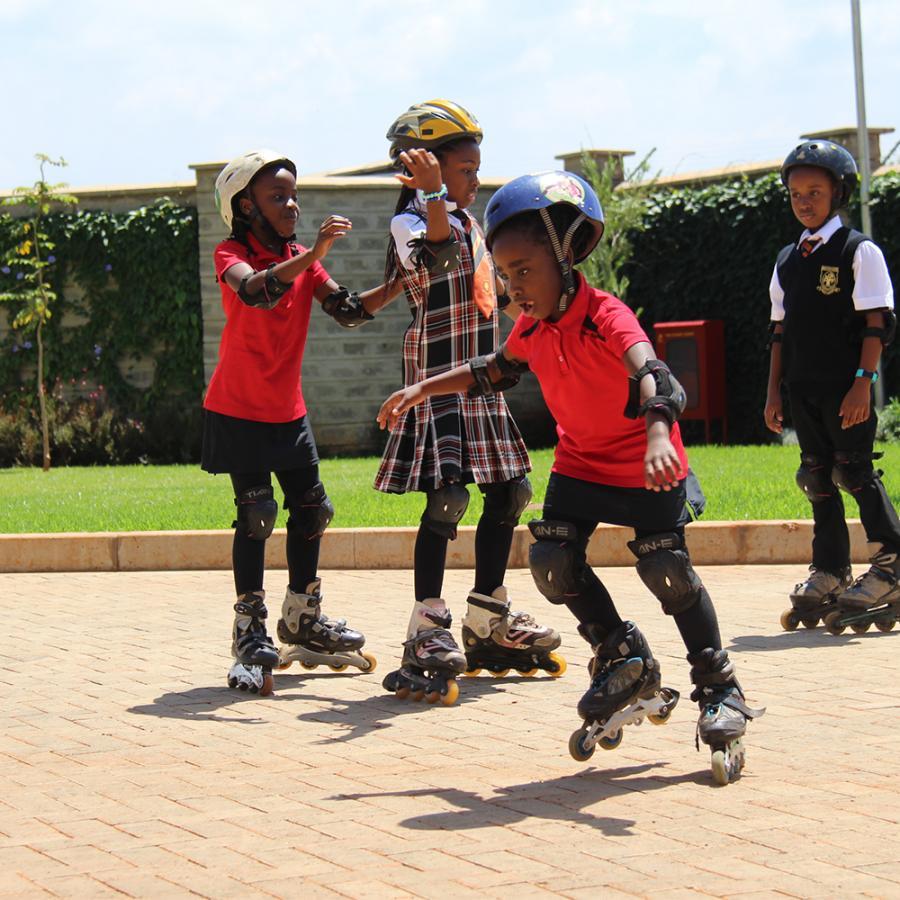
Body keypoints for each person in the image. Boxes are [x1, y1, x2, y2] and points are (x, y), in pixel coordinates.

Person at [377, 170, 764, 784]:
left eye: (524, 271)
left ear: (563, 255)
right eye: (504, 275)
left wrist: (660, 433)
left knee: (666, 570)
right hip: (581, 465)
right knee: (552, 560)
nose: (513, 287)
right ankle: (622, 655)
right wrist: (423, 387)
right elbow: (492, 370)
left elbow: (655, 376)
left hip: (645, 463)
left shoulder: (605, 315)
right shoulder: (532, 326)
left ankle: (719, 688)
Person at [375, 101, 565, 707]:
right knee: (448, 496)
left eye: (476, 168)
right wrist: (433, 196)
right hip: (433, 379)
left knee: (509, 491)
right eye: (463, 168)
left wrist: (555, 334)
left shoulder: (470, 221)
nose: (474, 178)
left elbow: (496, 295)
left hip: (478, 378)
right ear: (421, 167)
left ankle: (486, 616)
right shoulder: (411, 222)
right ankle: (427, 627)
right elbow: (436, 257)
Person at [205, 149, 396, 695]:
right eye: (277, 197)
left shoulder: (303, 257)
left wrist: (400, 284)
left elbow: (348, 309)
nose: (291, 205)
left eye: (294, 196)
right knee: (257, 515)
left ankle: (302, 618)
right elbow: (257, 289)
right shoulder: (230, 252)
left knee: (313, 508)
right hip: (238, 408)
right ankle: (249, 629)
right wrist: (312, 252)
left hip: (288, 410)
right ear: (245, 206)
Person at [766, 140, 900, 635]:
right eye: (796, 193)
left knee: (854, 471)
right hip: (802, 389)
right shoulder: (787, 260)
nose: (804, 201)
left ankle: (892, 564)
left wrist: (863, 384)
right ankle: (831, 570)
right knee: (816, 478)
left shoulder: (858, 251)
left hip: (847, 390)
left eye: (814, 192)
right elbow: (778, 332)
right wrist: (773, 393)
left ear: (838, 192)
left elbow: (876, 323)